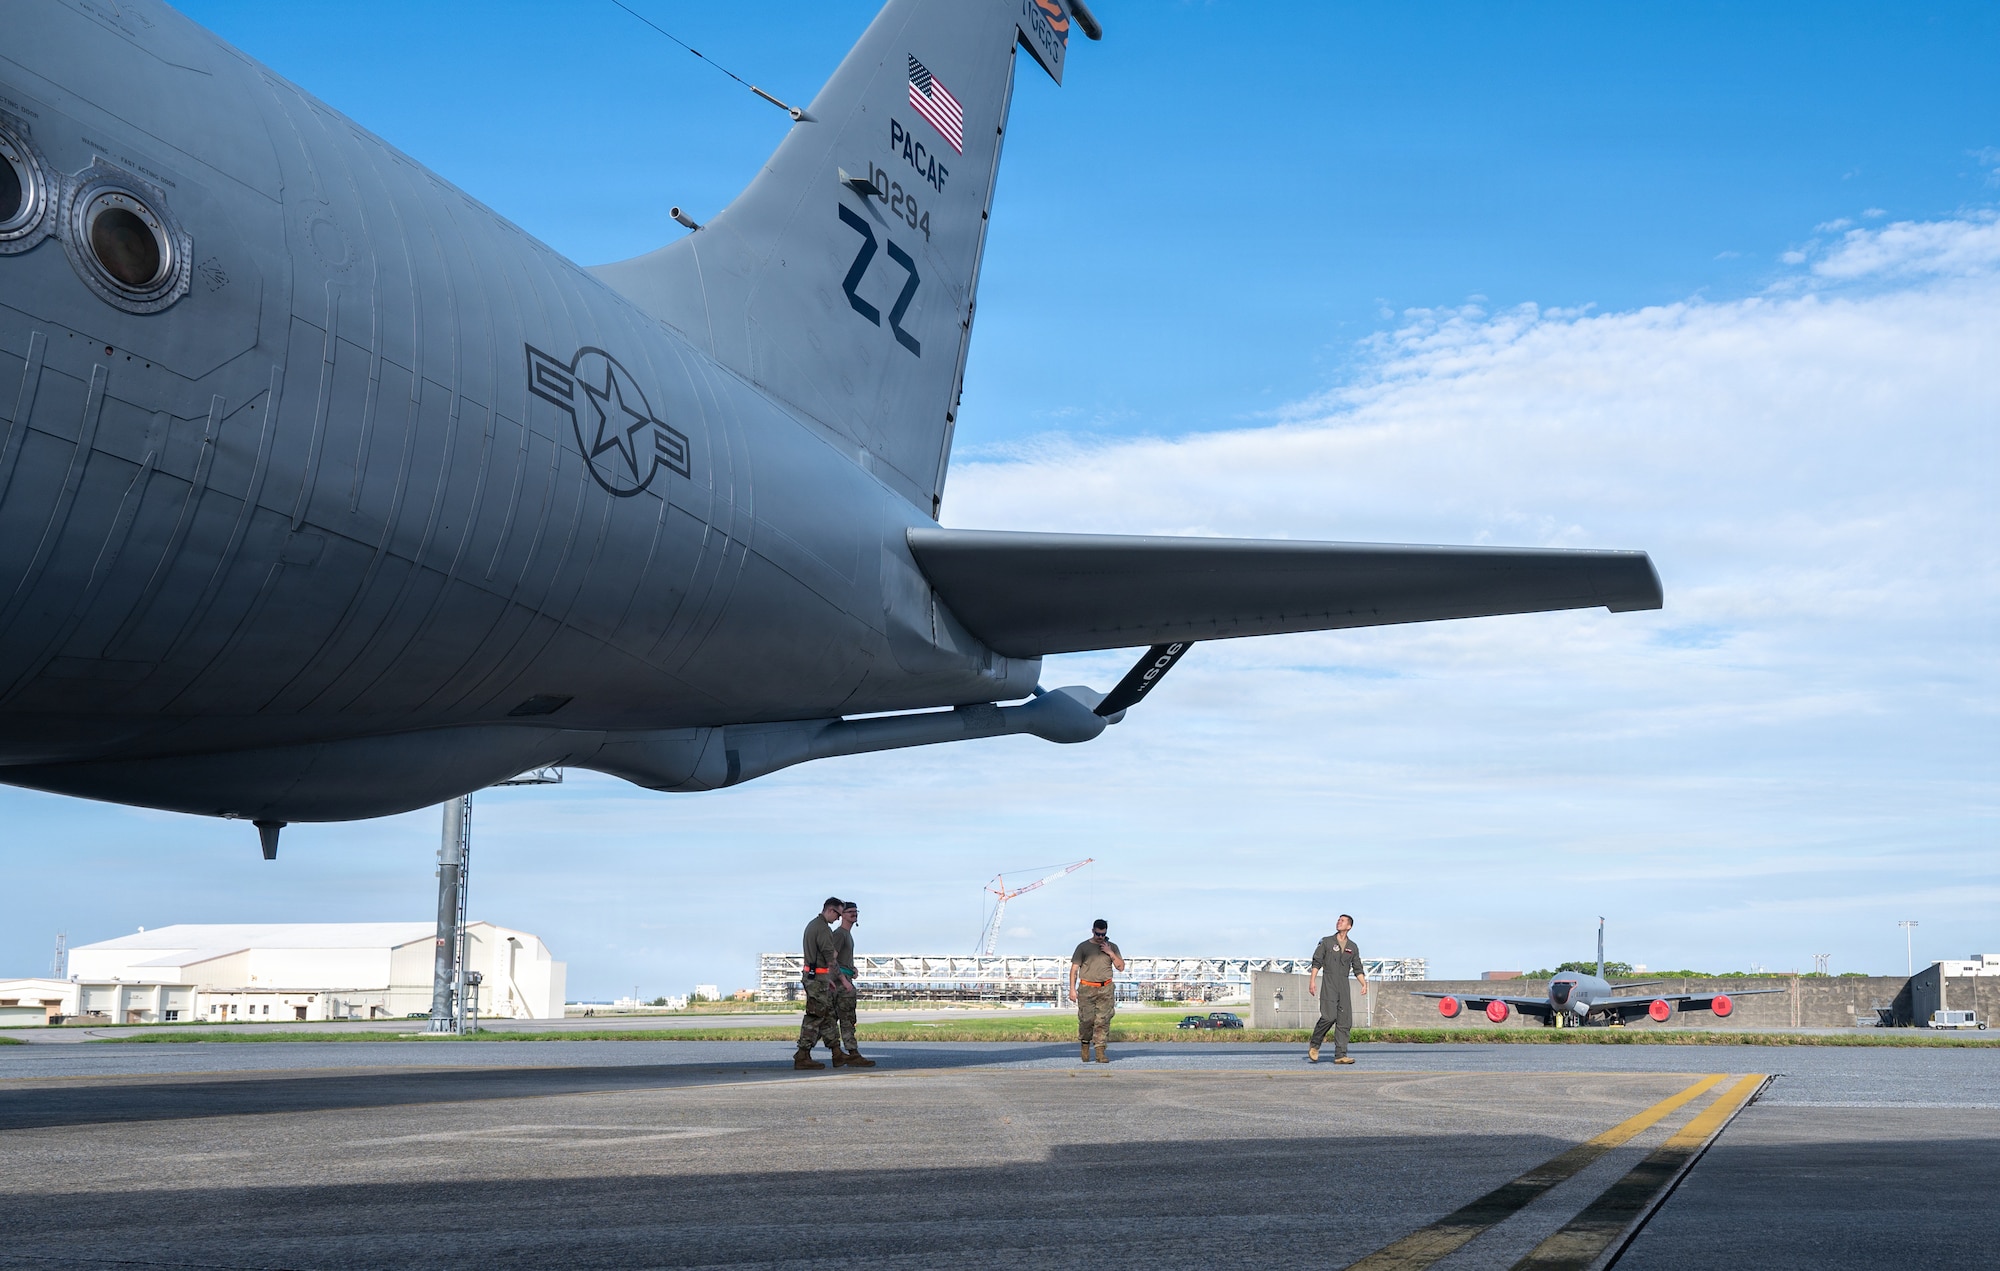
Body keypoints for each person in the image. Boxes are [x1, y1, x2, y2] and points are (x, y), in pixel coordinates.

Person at [794, 897, 851, 1070]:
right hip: (816, 979)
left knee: (827, 1016)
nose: (838, 919)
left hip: (816, 977)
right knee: (816, 1016)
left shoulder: (813, 925)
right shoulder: (823, 929)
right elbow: (830, 959)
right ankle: (803, 1054)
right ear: (831, 910)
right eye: (838, 915)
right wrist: (842, 980)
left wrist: (827, 980)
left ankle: (836, 1052)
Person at [1306, 913, 1369, 1064]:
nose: (1339, 922)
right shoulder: (1327, 942)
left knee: (1344, 1020)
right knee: (1329, 1016)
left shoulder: (1352, 947)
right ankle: (1315, 1045)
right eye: (1338, 920)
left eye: (1342, 921)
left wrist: (1364, 984)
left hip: (1344, 984)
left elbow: (1357, 968)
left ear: (1349, 926)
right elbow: (1317, 962)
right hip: (1329, 982)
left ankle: (1340, 1055)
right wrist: (1312, 981)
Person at [1068, 919, 1125, 1063]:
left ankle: (1100, 1052)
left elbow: (1121, 967)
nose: (1100, 937)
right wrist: (1072, 990)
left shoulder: (1112, 947)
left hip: (1105, 988)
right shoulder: (1083, 947)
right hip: (1087, 988)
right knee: (1087, 1020)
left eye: (1103, 934)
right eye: (1098, 934)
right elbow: (1074, 969)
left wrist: (1110, 953)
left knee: (1103, 1021)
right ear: (1093, 931)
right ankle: (1085, 1044)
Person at [829, 901, 875, 1067]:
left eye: (856, 912)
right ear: (842, 914)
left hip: (845, 979)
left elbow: (840, 959)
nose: (853, 914)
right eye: (849, 912)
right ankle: (852, 1053)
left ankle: (839, 1054)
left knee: (841, 1019)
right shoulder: (840, 934)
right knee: (847, 1019)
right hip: (841, 985)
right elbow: (831, 959)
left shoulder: (847, 934)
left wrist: (851, 969)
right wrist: (843, 980)